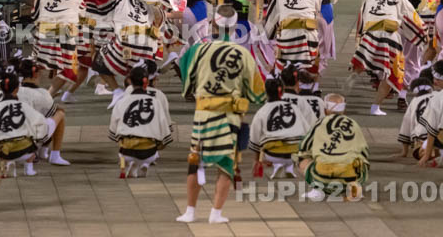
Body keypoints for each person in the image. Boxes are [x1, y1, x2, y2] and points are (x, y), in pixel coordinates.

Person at [176, 39, 264, 224]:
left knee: (194, 162)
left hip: (203, 114)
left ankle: (190, 211)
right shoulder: (243, 53)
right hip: (229, 116)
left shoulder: (198, 50)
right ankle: (215, 212)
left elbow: (186, 79)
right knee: (225, 165)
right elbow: (257, 92)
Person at [295, 93, 369, 200]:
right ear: (343, 110)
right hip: (348, 174)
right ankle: (354, 187)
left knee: (302, 159)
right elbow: (364, 151)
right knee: (360, 161)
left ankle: (318, 190)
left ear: (325, 110)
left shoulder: (320, 123)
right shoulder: (353, 124)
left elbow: (304, 147)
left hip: (323, 174)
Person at [108, 64, 173, 179]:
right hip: (150, 151)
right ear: (147, 80)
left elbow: (113, 134)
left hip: (127, 150)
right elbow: (167, 134)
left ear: (129, 80)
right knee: (158, 138)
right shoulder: (158, 99)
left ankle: (126, 163)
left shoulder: (122, 100)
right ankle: (145, 162)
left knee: (121, 142)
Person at [248, 76, 317, 179]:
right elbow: (308, 130)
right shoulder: (293, 107)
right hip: (295, 154)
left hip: (273, 155)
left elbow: (254, 139)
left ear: (266, 92)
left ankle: (278, 164)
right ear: (282, 91)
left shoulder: (262, 111)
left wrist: (257, 160)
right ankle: (288, 166)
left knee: (263, 137)